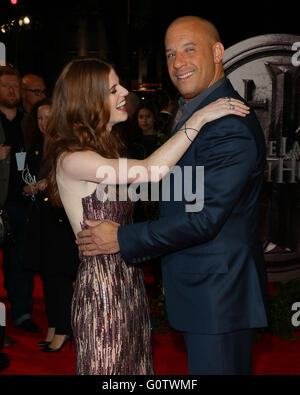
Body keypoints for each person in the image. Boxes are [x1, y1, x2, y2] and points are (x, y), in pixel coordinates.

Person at [76, 16, 269, 375]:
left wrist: (120, 237)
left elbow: (204, 218)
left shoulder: (227, 124)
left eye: (188, 50)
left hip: (219, 297)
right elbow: (182, 192)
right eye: (169, 54)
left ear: (217, 52)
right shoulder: (197, 114)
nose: (178, 62)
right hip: (205, 292)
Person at [43, 56, 248, 375]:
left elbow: (161, 188)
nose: (125, 91)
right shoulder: (73, 159)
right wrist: (200, 117)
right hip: (103, 293)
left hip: (130, 283)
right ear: (89, 100)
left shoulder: (105, 152)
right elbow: (151, 171)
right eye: (113, 89)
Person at [21, 98, 79, 352]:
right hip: (40, 221)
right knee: (47, 277)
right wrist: (28, 187)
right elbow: (23, 181)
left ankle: (65, 328)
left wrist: (50, 183)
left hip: (61, 221)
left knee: (61, 277)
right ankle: (54, 325)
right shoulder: (34, 148)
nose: (44, 123)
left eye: (49, 117)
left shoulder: (68, 147)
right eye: (40, 118)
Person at [0, 65, 41, 333]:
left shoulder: (31, 120)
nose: (12, 91)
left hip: (25, 203)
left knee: (22, 260)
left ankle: (23, 313)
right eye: (6, 86)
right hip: (0, 203)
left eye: (15, 86)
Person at [21, 74, 47, 149]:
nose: (43, 96)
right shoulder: (17, 119)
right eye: (37, 91)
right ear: (23, 93)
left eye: (44, 91)